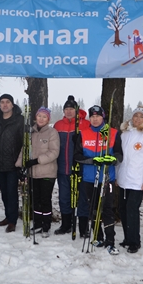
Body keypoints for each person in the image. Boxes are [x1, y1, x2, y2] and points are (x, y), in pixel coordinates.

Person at [74, 105, 123, 255]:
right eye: (92, 116)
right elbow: (77, 156)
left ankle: (110, 241)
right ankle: (98, 236)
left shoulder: (113, 133)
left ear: (103, 117)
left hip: (106, 178)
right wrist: (92, 160)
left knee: (107, 210)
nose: (95, 119)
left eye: (98, 116)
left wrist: (112, 159)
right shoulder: (83, 133)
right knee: (93, 209)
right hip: (89, 178)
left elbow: (120, 155)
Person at [116, 106, 143, 254]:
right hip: (123, 179)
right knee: (123, 209)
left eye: (141, 117)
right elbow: (120, 158)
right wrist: (117, 175)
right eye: (135, 116)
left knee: (132, 210)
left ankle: (134, 241)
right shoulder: (125, 134)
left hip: (138, 180)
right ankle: (127, 238)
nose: (137, 119)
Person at [16, 107, 60, 237]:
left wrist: (37, 160)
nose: (41, 119)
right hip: (33, 173)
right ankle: (37, 223)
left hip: (47, 172)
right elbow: (24, 150)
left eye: (44, 117)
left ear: (48, 119)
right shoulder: (31, 132)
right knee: (35, 200)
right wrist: (20, 165)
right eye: (39, 116)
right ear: (36, 117)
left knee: (45, 199)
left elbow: (54, 152)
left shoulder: (52, 133)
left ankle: (46, 226)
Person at [53, 95, 90, 236]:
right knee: (64, 197)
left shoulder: (85, 124)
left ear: (76, 110)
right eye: (66, 109)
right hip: (63, 168)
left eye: (71, 109)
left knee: (82, 198)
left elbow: (90, 145)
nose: (69, 111)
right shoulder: (58, 125)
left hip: (80, 168)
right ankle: (66, 224)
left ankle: (83, 226)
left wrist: (79, 141)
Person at [0, 94, 24, 233]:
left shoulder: (19, 120)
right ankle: (7, 217)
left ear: (12, 104)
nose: (5, 105)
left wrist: (22, 162)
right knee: (4, 193)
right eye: (2, 102)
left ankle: (13, 220)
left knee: (12, 193)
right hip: (0, 163)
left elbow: (24, 142)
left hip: (14, 163)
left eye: (7, 102)